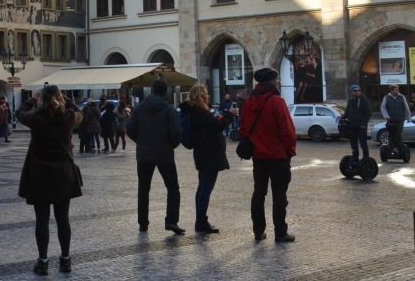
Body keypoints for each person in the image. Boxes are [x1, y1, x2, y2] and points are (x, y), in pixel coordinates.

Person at [16, 84, 83, 275]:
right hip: (63, 175)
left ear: (41, 99)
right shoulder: (68, 118)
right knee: (63, 220)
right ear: (60, 98)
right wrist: (66, 98)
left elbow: (20, 112)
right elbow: (80, 112)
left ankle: (43, 262)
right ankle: (65, 260)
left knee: (42, 221)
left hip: (39, 176)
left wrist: (33, 98)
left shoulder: (35, 118)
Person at [240, 67, 297, 243]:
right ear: (272, 81)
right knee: (279, 195)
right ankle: (280, 232)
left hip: (258, 156)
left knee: (259, 193)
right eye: (277, 79)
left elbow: (243, 130)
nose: (279, 82)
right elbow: (287, 131)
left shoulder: (248, 102)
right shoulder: (277, 101)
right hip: (278, 156)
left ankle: (258, 231)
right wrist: (289, 151)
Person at [126, 80, 184, 234]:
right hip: (164, 153)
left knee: (143, 188)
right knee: (172, 187)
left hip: (144, 154)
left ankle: (143, 223)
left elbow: (130, 129)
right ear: (165, 92)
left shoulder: (139, 108)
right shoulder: (169, 109)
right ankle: (171, 221)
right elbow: (176, 132)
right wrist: (171, 144)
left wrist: (141, 141)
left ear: (152, 90)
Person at [183, 84, 237, 233]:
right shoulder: (199, 111)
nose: (208, 96)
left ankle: (200, 220)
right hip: (209, 154)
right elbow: (218, 125)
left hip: (204, 153)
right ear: (200, 95)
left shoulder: (198, 110)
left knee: (203, 187)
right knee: (205, 188)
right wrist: (231, 114)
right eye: (205, 93)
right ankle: (201, 222)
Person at [343, 85, 371, 160]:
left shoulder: (364, 100)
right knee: (353, 142)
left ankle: (366, 157)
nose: (357, 92)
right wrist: (342, 117)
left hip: (361, 125)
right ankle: (355, 157)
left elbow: (368, 113)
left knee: (363, 142)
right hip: (352, 125)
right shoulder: (350, 100)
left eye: (358, 90)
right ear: (352, 92)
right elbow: (347, 112)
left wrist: (364, 124)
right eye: (355, 91)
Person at [381, 84, 412, 149]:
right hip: (390, 119)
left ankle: (400, 148)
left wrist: (409, 118)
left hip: (400, 119)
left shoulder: (402, 97)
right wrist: (386, 115)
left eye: (398, 90)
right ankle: (391, 148)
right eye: (396, 90)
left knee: (399, 134)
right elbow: (383, 107)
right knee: (391, 134)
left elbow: (406, 107)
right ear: (392, 91)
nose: (397, 91)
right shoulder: (386, 97)